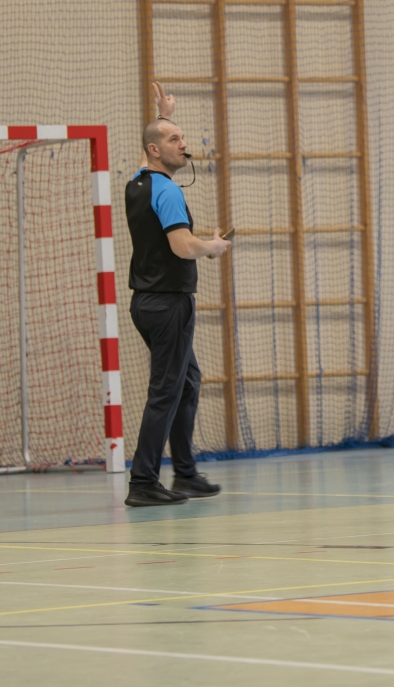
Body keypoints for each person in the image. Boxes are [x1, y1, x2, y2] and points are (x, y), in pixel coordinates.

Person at [122, 81, 232, 508]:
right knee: (167, 390)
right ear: (155, 150)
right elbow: (183, 246)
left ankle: (185, 473)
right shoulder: (167, 190)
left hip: (146, 303)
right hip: (168, 303)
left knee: (186, 382)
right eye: (173, 139)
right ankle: (143, 482)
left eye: (183, 138)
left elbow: (148, 145)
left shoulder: (138, 181)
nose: (183, 144)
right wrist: (213, 247)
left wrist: (163, 115)